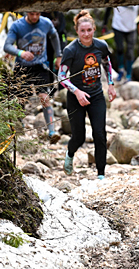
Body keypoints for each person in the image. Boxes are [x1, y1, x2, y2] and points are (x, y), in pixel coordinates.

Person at [58, 10, 117, 180]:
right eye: (82, 31)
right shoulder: (70, 50)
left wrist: (111, 84)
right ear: (77, 31)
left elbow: (107, 63)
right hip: (76, 97)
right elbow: (61, 76)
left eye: (89, 30)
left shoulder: (100, 46)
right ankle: (70, 154)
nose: (86, 34)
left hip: (96, 95)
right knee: (79, 136)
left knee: (100, 134)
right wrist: (76, 91)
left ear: (94, 29)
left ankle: (100, 174)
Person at [4, 12, 62, 143]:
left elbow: (54, 35)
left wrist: (59, 55)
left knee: (44, 98)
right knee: (20, 99)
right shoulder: (17, 26)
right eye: (31, 14)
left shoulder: (46, 23)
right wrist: (21, 53)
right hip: (22, 67)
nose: (35, 17)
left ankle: (52, 131)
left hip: (41, 66)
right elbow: (6, 46)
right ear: (26, 12)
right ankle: (19, 126)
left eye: (37, 14)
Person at [102, 5, 139, 82]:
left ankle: (129, 74)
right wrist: (105, 24)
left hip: (131, 28)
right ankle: (121, 71)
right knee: (120, 49)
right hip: (118, 27)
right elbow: (108, 8)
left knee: (130, 52)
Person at [41, 11, 67, 95]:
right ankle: (50, 86)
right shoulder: (43, 13)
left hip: (59, 38)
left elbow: (62, 31)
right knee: (48, 62)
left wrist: (61, 52)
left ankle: (62, 89)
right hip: (46, 41)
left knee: (60, 63)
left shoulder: (59, 13)